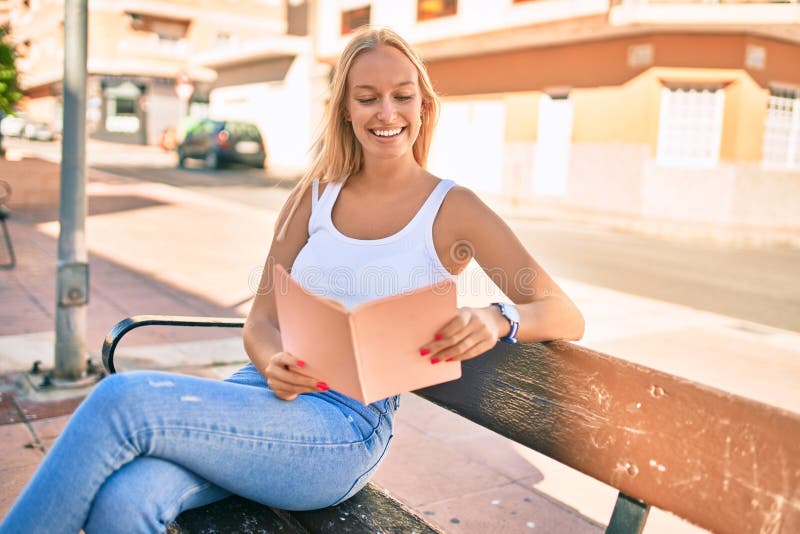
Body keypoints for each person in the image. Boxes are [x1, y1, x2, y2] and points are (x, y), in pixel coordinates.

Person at [0, 27, 584, 533]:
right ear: (346, 110)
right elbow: (260, 323)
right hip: (257, 393)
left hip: (344, 430)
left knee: (122, 400)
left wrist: (497, 316)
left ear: (423, 106)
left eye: (403, 96)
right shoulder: (315, 196)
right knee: (128, 500)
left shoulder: (455, 208)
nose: (387, 113)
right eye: (368, 98)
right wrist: (273, 357)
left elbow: (564, 313)